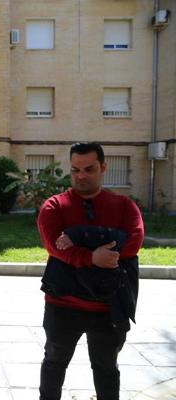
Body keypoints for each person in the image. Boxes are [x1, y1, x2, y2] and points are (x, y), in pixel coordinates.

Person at [37, 142, 144, 400]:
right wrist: (93, 256)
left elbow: (133, 243)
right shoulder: (54, 206)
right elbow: (55, 246)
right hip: (62, 306)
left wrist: (76, 239)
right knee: (53, 364)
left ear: (103, 167)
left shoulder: (124, 206)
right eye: (75, 170)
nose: (81, 175)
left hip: (109, 309)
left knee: (107, 371)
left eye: (89, 169)